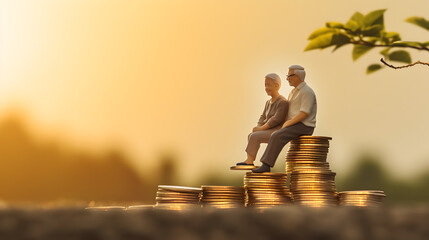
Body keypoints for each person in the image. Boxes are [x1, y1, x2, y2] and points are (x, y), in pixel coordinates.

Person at [252, 65, 317, 173]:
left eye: (290, 76)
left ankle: (266, 165)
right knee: (274, 133)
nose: (287, 78)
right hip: (294, 124)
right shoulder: (293, 92)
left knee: (277, 135)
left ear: (298, 76)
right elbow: (290, 112)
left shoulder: (307, 92)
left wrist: (288, 123)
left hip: (304, 126)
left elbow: (304, 113)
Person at [236, 73, 288, 166]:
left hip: (276, 131)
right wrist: (258, 125)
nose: (266, 87)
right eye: (265, 85)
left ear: (276, 86)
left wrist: (261, 129)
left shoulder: (282, 102)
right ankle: (249, 159)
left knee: (254, 136)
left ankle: (249, 161)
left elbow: (276, 120)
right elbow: (263, 116)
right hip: (267, 129)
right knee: (251, 135)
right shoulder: (268, 102)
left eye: (269, 85)